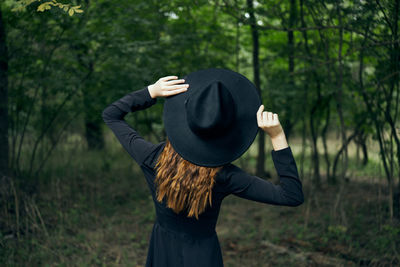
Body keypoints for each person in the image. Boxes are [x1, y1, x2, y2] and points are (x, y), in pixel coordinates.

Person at [102, 68, 304, 267]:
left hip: (163, 251)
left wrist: (150, 92)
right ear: (229, 130)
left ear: (184, 119)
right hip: (202, 257)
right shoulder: (225, 176)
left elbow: (111, 115)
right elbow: (291, 195)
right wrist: (277, 137)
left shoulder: (152, 157)